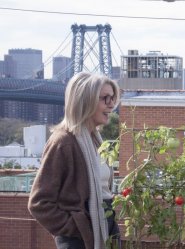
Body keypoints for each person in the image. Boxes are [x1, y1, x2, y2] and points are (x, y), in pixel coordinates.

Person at [28, 72, 121, 249]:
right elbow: (39, 203)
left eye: (113, 98)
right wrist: (75, 227)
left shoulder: (95, 140)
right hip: (80, 238)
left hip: (105, 226)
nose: (111, 104)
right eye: (105, 98)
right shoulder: (63, 142)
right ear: (85, 101)